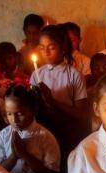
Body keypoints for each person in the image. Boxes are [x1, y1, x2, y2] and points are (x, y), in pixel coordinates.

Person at [31, 25, 88, 154]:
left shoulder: (74, 75)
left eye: (51, 47)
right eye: (42, 48)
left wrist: (53, 101)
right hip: (43, 131)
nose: (46, 52)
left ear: (63, 47)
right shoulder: (36, 74)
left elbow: (80, 114)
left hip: (67, 132)